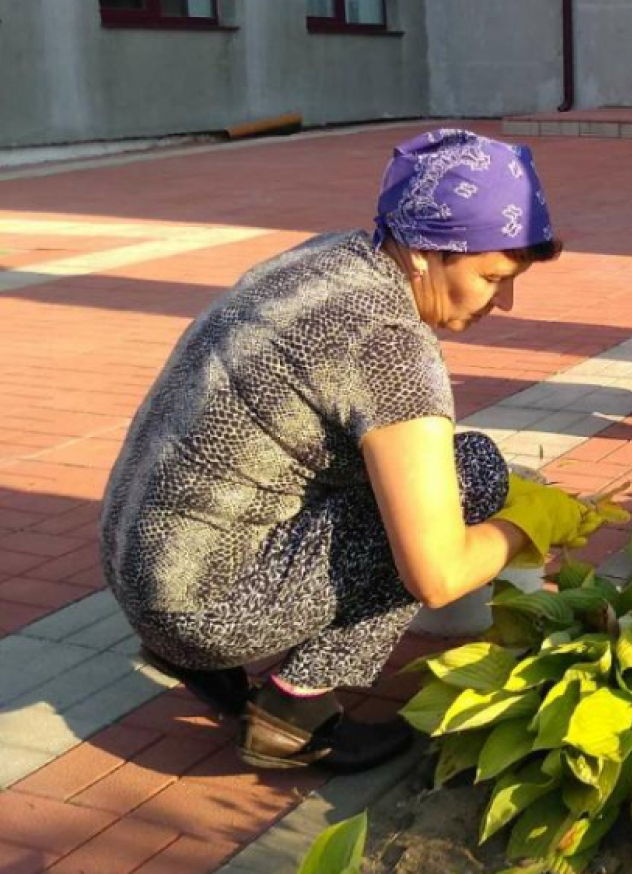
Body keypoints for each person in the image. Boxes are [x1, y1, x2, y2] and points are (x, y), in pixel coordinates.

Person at [100, 129, 591, 773]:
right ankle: (293, 714)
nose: (505, 301)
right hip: (200, 605)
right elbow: (437, 576)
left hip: (135, 565)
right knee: (471, 470)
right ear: (424, 253)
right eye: (492, 276)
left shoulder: (327, 257)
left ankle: (199, 660)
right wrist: (529, 522)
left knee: (408, 477)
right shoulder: (390, 345)